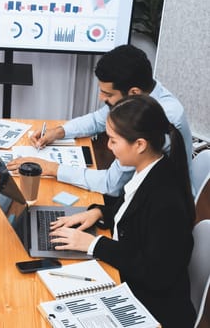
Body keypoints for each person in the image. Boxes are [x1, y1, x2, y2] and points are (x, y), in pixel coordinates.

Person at [48, 95, 196, 327]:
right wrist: (99, 213)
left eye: (114, 141)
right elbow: (134, 210)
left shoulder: (167, 201)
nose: (108, 146)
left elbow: (156, 273)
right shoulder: (153, 169)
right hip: (131, 283)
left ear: (139, 144)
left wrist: (93, 244)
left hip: (151, 308)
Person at [8, 44, 193, 198]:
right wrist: (58, 131)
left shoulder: (153, 119)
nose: (100, 97)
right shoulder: (145, 92)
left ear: (133, 93)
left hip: (154, 209)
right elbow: (97, 120)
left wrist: (51, 168)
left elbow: (110, 184)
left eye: (107, 94)